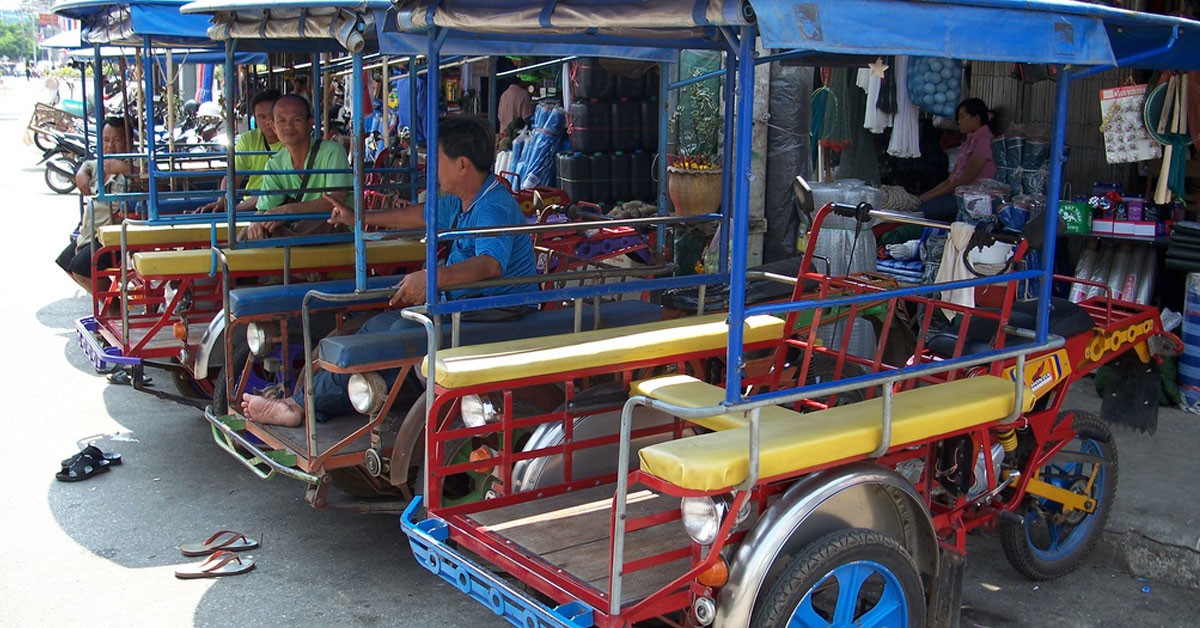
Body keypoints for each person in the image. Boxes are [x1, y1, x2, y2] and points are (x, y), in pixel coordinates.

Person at [240, 115, 539, 427]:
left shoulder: (494, 205)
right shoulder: (460, 200)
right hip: (464, 304)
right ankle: (304, 404)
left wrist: (431, 280)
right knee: (372, 327)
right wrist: (358, 217)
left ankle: (304, 406)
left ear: (462, 165)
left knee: (397, 333)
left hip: (498, 310)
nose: (431, 170)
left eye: (437, 161)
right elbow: (419, 215)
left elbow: (490, 265)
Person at [241, 94, 351, 240]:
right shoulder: (275, 164)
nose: (288, 126)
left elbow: (336, 200)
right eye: (281, 121)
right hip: (300, 227)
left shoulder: (332, 152)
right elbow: (264, 208)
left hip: (337, 226)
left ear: (309, 123)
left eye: (296, 120)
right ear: (273, 126)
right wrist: (254, 223)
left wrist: (287, 211)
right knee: (248, 234)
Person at [55, 118, 133, 294]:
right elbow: (87, 166)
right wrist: (81, 173)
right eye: (106, 140)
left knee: (81, 268)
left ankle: (113, 306)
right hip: (91, 233)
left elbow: (154, 182)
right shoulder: (101, 165)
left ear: (129, 142)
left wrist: (125, 169)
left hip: (113, 234)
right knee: (66, 261)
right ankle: (108, 302)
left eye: (117, 140)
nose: (110, 145)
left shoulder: (136, 164)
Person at [195, 90, 283, 213]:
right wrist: (222, 201)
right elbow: (233, 175)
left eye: (272, 115)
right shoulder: (249, 139)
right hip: (250, 204)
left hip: (279, 203)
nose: (268, 122)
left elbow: (277, 192)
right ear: (256, 120)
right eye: (262, 117)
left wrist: (231, 210)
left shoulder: (294, 141)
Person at [917, 98, 997, 222]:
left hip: (971, 199)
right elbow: (950, 181)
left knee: (923, 211)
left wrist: (926, 198)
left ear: (976, 118)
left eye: (962, 117)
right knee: (920, 206)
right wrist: (924, 196)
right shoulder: (970, 141)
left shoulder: (984, 140)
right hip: (958, 194)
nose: (958, 122)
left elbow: (963, 181)